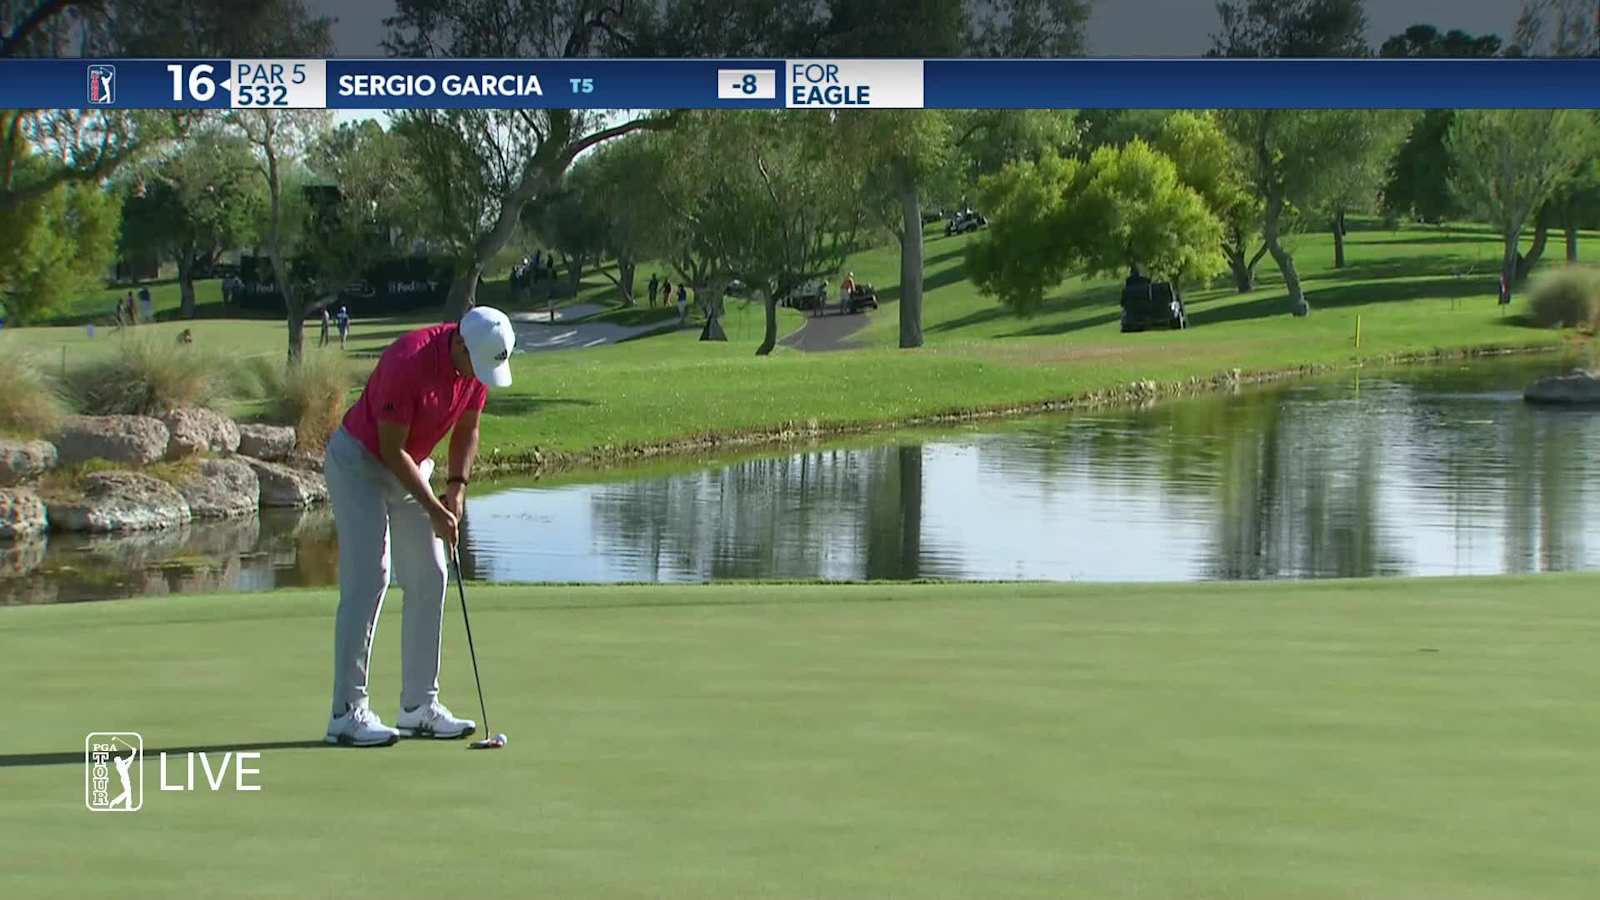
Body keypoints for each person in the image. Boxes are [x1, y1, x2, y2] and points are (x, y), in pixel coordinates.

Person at [322, 306, 517, 747]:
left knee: (430, 575)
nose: (481, 376)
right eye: (479, 365)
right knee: (370, 578)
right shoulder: (406, 360)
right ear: (460, 344)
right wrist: (433, 507)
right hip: (360, 463)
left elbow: (468, 428)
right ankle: (346, 713)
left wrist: (458, 488)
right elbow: (391, 450)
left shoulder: (474, 367)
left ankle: (418, 707)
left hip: (412, 464)